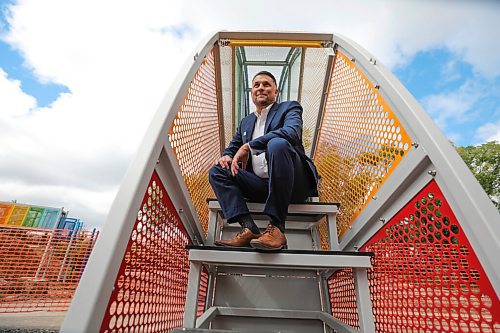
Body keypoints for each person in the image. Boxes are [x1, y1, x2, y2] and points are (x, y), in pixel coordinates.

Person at [208, 71, 319, 251]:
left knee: (277, 144)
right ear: (252, 92)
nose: (261, 88)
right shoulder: (246, 122)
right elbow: (233, 146)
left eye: (266, 84)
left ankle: (277, 228)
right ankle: (248, 228)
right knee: (218, 170)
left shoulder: (289, 108)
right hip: (261, 186)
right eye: (256, 85)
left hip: (293, 184)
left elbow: (292, 133)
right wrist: (227, 155)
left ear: (276, 91)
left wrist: (249, 146)